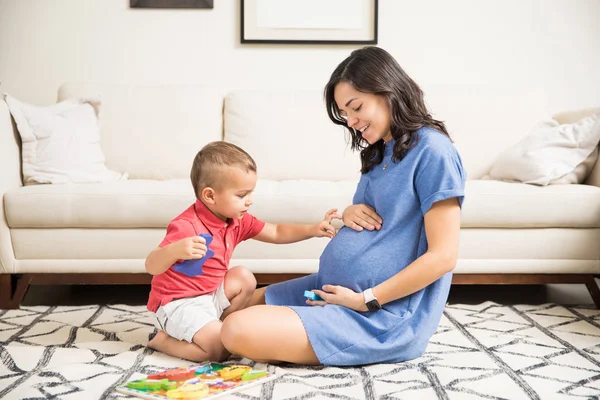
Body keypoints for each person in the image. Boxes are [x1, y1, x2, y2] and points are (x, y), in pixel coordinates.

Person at [220, 47, 466, 366]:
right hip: (328, 294)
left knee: (237, 329)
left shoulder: (434, 152)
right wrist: (349, 213)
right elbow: (376, 223)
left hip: (375, 317)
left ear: (387, 90)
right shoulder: (381, 152)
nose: (350, 122)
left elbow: (443, 257)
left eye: (355, 107)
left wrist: (366, 300)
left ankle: (205, 342)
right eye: (344, 113)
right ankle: (187, 331)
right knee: (239, 303)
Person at [145, 141, 340, 362]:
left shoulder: (236, 220)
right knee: (217, 350)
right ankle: (162, 341)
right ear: (210, 196)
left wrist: (312, 229)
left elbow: (276, 232)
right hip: (177, 303)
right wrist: (174, 250)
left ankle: (223, 326)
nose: (250, 200)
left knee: (244, 277)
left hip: (209, 296)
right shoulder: (187, 226)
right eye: (242, 195)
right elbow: (151, 265)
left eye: (251, 193)